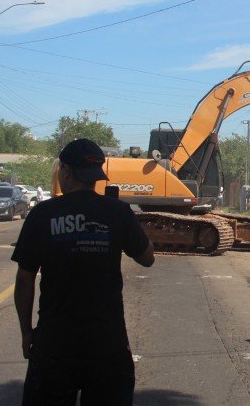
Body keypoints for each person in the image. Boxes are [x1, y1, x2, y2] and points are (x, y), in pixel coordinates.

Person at [12, 138, 155, 405]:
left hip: (55, 341)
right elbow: (147, 258)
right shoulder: (118, 212)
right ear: (97, 174)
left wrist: (26, 332)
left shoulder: (43, 214)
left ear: (66, 171)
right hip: (107, 342)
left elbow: (24, 279)